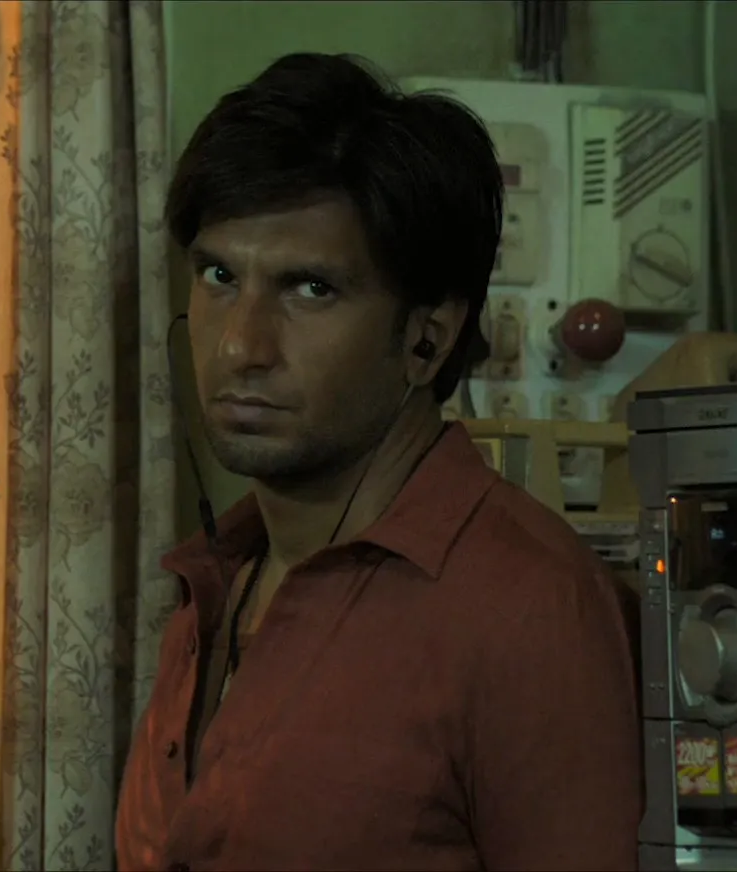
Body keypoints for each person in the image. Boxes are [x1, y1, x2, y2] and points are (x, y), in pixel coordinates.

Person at [116, 53, 640, 871]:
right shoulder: (216, 581)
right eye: (219, 276)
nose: (239, 345)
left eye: (309, 290)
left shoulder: (524, 608)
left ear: (425, 338)